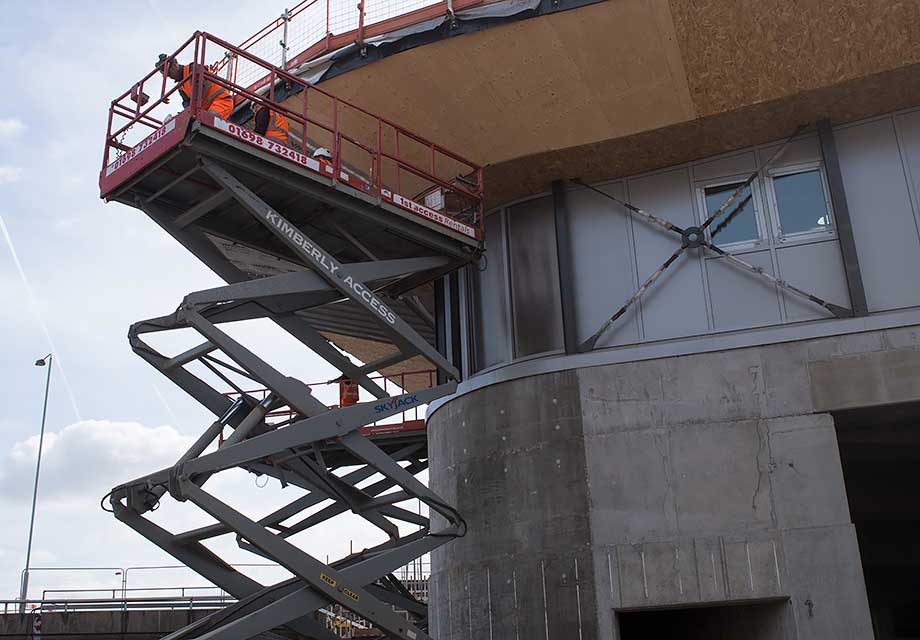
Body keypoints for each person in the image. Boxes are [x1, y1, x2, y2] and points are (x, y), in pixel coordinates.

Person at [155, 54, 233, 120]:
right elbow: (187, 102)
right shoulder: (181, 86)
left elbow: (199, 89)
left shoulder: (193, 69)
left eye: (169, 73)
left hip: (221, 101)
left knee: (208, 119)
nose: (169, 76)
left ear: (175, 65)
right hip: (205, 109)